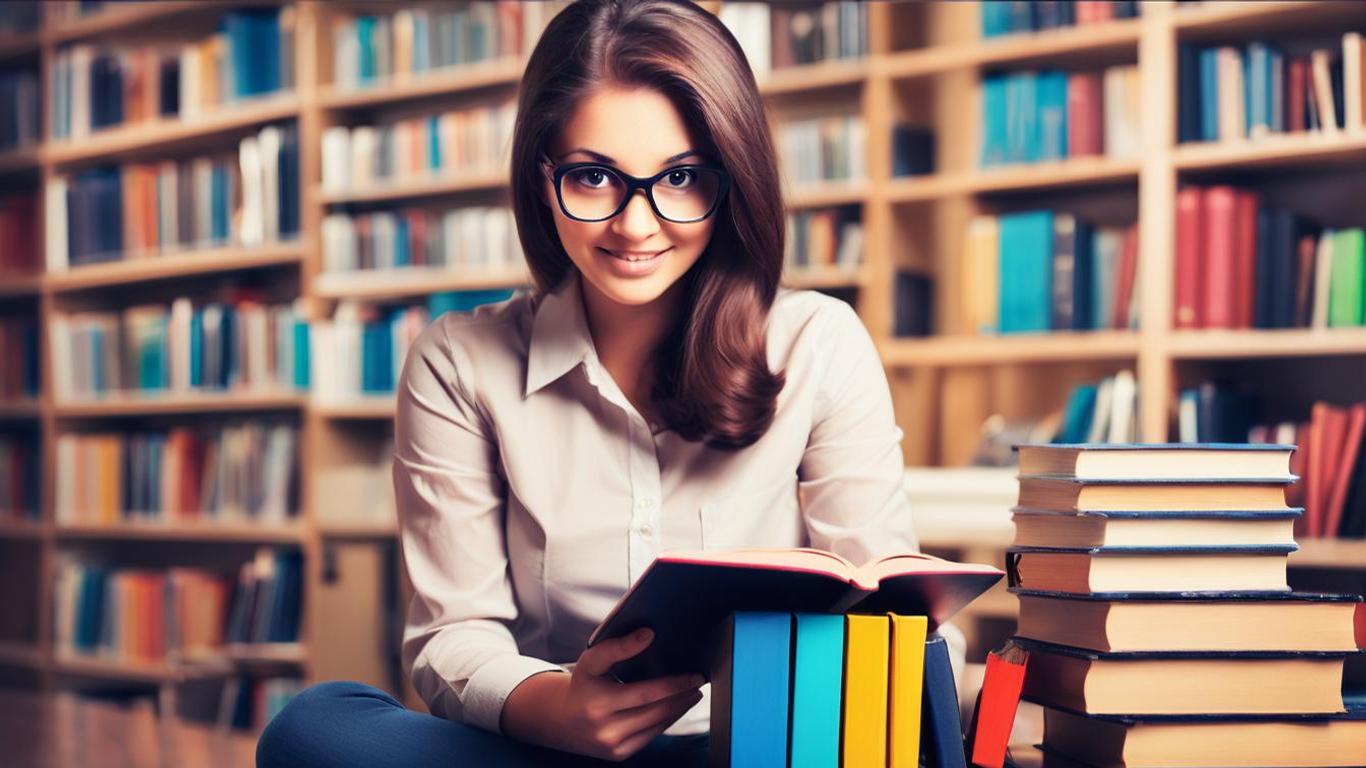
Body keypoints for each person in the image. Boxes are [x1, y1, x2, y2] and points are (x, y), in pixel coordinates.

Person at [258, 1, 945, 765]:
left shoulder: (819, 343)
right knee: (314, 725)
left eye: (681, 178)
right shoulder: (458, 361)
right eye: (593, 177)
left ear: (732, 177)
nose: (636, 225)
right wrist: (554, 709)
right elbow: (454, 634)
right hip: (548, 745)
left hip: (750, 747)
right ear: (542, 176)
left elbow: (883, 606)